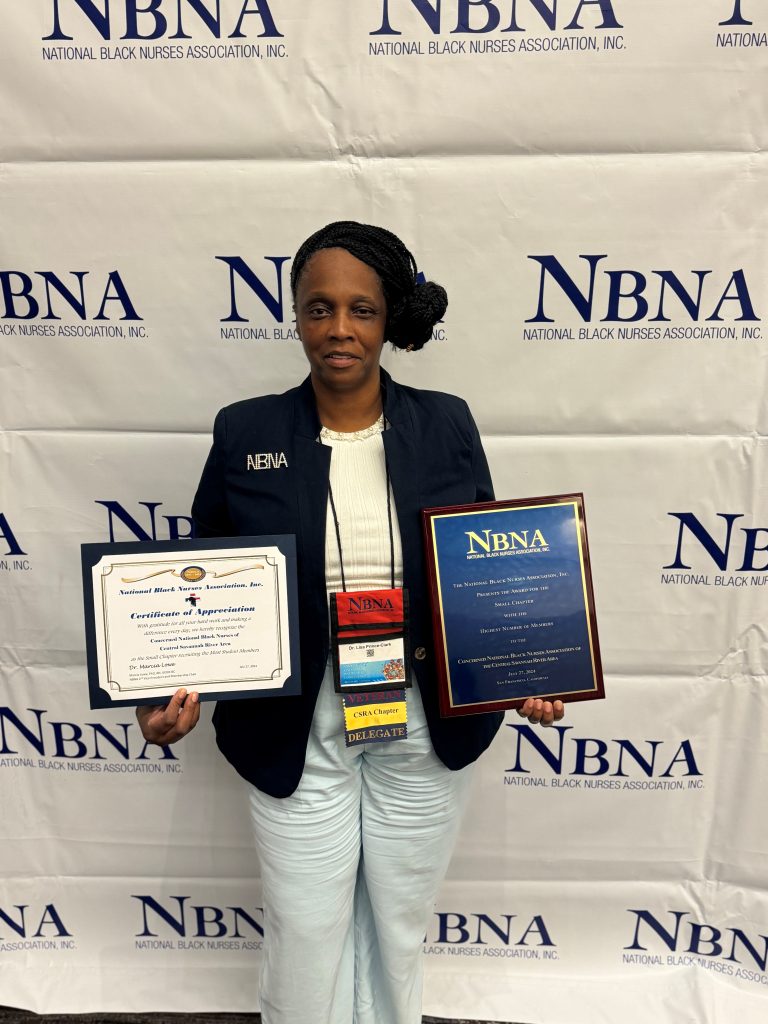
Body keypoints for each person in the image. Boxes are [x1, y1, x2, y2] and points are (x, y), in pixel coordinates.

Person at [137, 220, 565, 1024]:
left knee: (398, 925)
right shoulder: (246, 430)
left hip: (421, 713)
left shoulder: (446, 422)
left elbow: (484, 568)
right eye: (318, 307)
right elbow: (195, 586)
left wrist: (525, 672)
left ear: (389, 319)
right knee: (306, 926)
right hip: (297, 718)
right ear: (294, 315)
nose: (338, 329)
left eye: (361, 310)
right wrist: (165, 698)